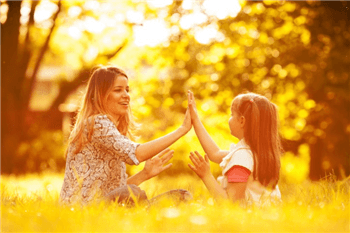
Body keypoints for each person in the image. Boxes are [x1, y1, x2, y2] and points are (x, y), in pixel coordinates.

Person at [59, 65, 192, 205]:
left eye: (127, 90)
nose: (126, 95)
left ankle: (147, 209)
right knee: (133, 192)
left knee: (182, 195)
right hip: (83, 208)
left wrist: (145, 174)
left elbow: (116, 191)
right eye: (118, 90)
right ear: (101, 95)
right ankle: (147, 210)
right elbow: (137, 154)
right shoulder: (96, 123)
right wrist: (182, 129)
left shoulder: (111, 131)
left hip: (102, 205)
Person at [187, 90, 282, 205]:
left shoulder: (241, 159)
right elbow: (215, 153)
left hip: (248, 221)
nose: (230, 118)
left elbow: (231, 204)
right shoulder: (258, 154)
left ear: (242, 121)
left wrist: (206, 175)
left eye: (232, 115)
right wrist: (195, 120)